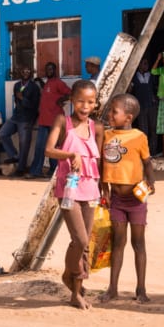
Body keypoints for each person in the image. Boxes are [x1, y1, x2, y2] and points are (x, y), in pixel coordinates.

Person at [45, 79, 104, 309]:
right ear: (72, 100)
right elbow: (49, 149)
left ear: (95, 103)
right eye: (80, 101)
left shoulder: (97, 127)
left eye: (90, 102)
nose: (84, 106)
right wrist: (70, 155)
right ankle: (70, 275)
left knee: (86, 243)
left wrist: (104, 188)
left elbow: (100, 160)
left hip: (90, 187)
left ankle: (76, 292)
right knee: (78, 239)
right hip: (68, 188)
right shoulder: (63, 121)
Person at [99, 93, 156, 304]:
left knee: (138, 244)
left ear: (128, 117)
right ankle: (112, 288)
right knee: (118, 243)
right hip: (116, 200)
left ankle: (141, 289)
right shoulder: (105, 136)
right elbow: (101, 164)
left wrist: (151, 183)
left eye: (114, 111)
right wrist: (103, 187)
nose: (110, 115)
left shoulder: (138, 137)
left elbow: (147, 163)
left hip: (136, 199)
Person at [28, 62, 71, 178]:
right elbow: (49, 93)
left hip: (54, 122)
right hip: (44, 121)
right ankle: (36, 171)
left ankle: (54, 172)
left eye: (51, 69)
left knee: (54, 149)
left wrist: (62, 99)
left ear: (55, 70)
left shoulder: (58, 82)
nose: (49, 71)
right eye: (47, 70)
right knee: (40, 148)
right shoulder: (48, 83)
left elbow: (71, 93)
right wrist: (40, 82)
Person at [0, 66, 41, 177]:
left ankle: (21, 169)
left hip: (27, 119)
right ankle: (15, 156)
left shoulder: (34, 87)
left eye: (28, 70)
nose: (26, 72)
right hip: (16, 117)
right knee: (2, 133)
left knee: (24, 144)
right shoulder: (17, 85)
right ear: (20, 73)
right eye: (23, 70)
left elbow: (34, 106)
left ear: (31, 73)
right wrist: (20, 101)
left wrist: (23, 99)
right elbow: (17, 102)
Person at [128, 57, 158, 155]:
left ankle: (152, 152)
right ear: (139, 64)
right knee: (143, 130)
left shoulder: (151, 75)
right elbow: (129, 91)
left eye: (147, 63)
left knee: (153, 129)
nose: (146, 65)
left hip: (152, 106)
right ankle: (144, 153)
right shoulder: (134, 76)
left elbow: (156, 87)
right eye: (144, 63)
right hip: (140, 107)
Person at [151, 50, 164, 158]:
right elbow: (153, 71)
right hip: (163, 100)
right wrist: (158, 58)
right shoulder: (162, 70)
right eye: (163, 60)